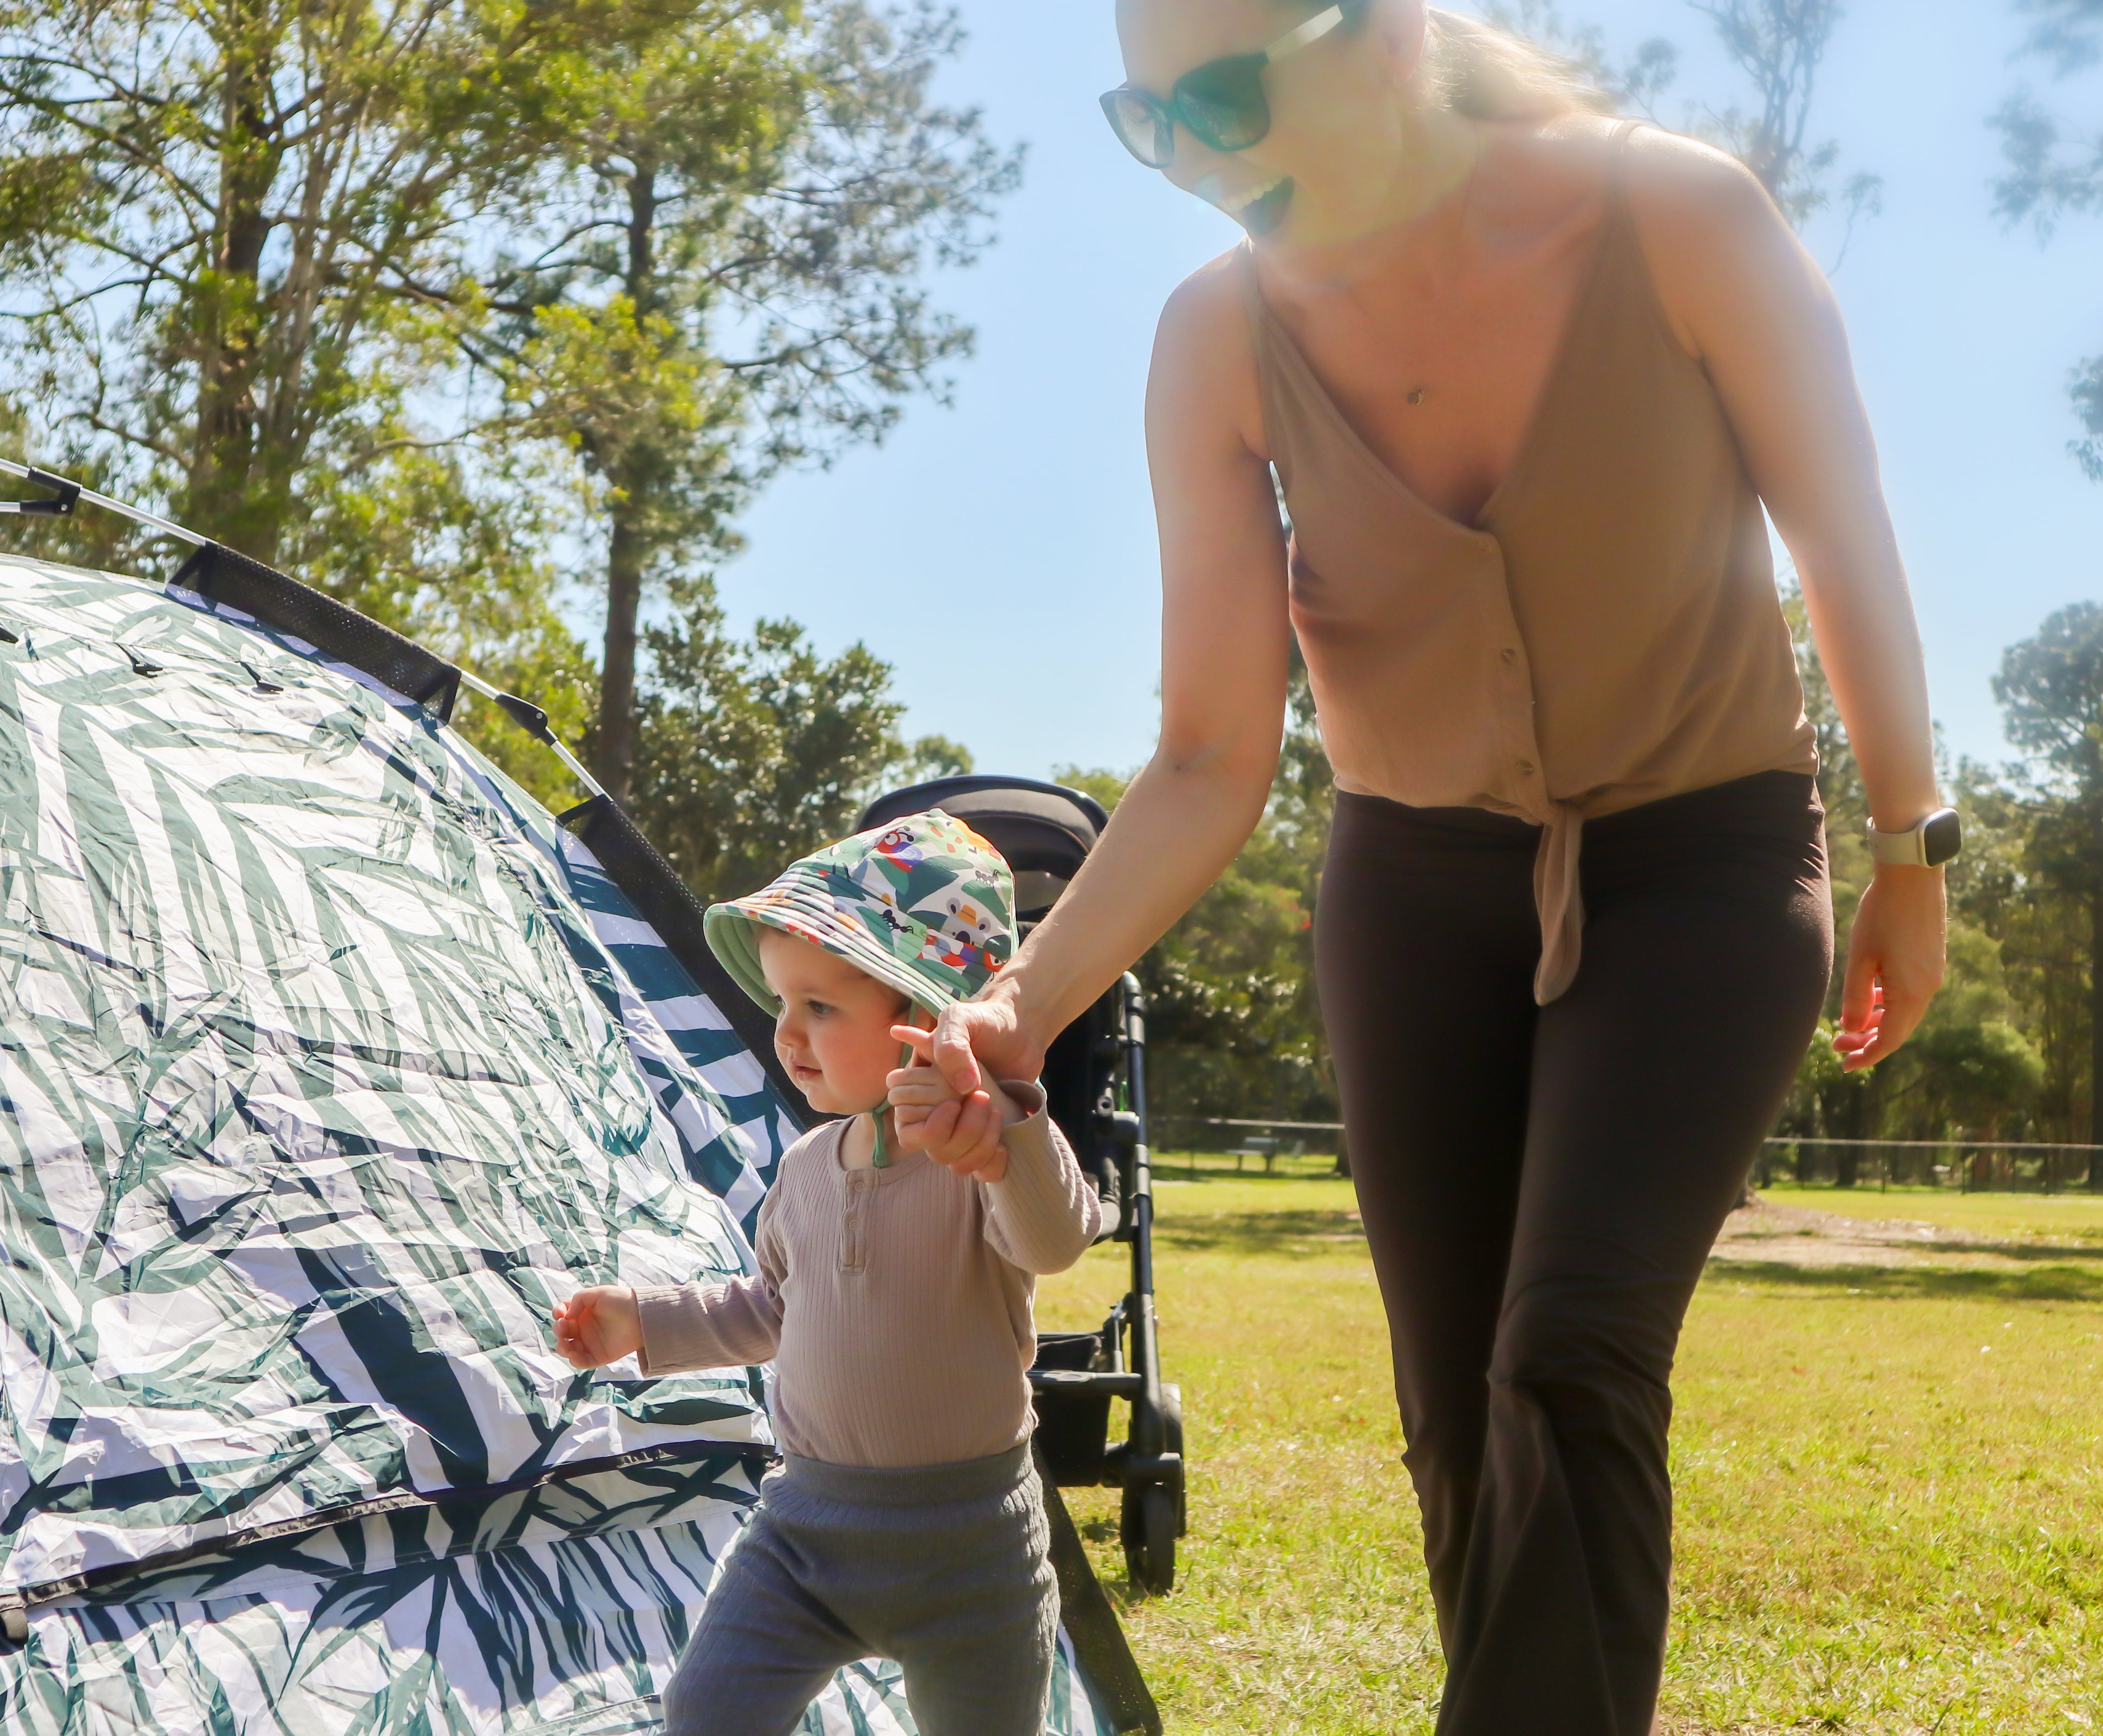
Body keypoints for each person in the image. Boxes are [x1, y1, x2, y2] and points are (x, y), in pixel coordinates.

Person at [900, 4, 1950, 1732]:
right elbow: (1209, 752)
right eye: (1141, 124)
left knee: (1567, 1355)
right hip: (1411, 886)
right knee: (1458, 1417)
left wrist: (1910, 845)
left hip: (1703, 855)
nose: (1195, 158)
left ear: (1383, 38)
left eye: (1225, 97)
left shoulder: (1675, 220)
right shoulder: (1216, 340)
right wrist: (1016, 1007)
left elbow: (1843, 534)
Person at [551, 810, 1100, 1736]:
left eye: (822, 1006)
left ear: (924, 1021)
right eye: (782, 1004)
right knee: (708, 1710)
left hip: (974, 1548)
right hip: (805, 1535)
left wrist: (1007, 1131)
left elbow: (1055, 1241)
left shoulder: (983, 1156)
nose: (788, 1033)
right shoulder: (806, 1167)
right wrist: (645, 1321)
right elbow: (772, 1306)